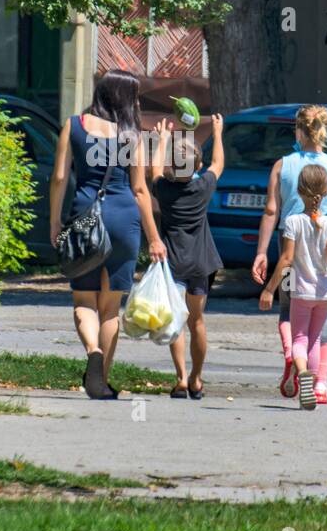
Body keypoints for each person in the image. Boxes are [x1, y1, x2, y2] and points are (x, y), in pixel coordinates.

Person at [50, 69, 167, 399]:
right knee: (110, 308)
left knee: (84, 300)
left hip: (85, 216)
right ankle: (101, 382)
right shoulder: (132, 136)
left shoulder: (73, 126)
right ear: (126, 100)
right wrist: (155, 237)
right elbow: (141, 190)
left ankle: (92, 353)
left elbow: (59, 178)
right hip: (123, 219)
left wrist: (55, 222)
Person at [251, 105, 327, 404]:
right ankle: (319, 384)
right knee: (321, 320)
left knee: (288, 311)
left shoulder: (282, 166)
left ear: (298, 130)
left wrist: (261, 252)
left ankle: (290, 355)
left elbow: (271, 210)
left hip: (290, 247)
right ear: (326, 130)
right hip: (326, 248)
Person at [150, 114, 225, 399]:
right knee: (197, 321)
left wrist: (162, 140)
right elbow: (218, 164)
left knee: (177, 321)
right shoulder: (203, 187)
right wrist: (217, 133)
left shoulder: (165, 189)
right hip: (201, 263)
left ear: (172, 165)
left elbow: (155, 170)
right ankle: (196, 378)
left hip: (173, 263)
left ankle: (180, 378)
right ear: (199, 166)